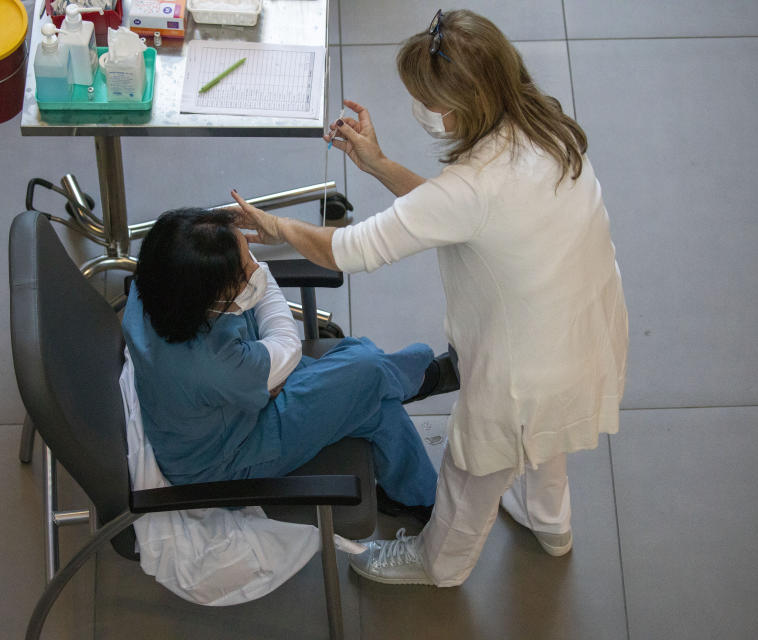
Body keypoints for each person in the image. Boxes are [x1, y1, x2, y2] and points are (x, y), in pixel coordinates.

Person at [229, 9, 628, 587]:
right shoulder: (545, 127)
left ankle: (437, 564)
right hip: (584, 327)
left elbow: (353, 250)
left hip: (523, 371)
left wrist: (280, 229)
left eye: (427, 98)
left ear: (463, 104)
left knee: (472, 471)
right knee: (547, 436)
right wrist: (379, 164)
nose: (421, 108)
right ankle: (551, 523)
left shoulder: (473, 186)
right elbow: (458, 214)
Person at [121, 207, 450, 515]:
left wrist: (267, 377)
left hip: (223, 409)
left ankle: (417, 498)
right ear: (208, 293)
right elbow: (287, 347)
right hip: (229, 459)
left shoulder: (157, 285)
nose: (256, 266)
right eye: (245, 269)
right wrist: (265, 375)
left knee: (372, 397)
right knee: (369, 370)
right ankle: (417, 379)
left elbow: (275, 360)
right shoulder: (216, 365)